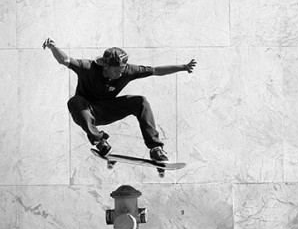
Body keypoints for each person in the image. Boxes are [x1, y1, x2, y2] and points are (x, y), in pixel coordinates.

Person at [43, 38, 196, 162]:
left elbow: (155, 70)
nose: (121, 73)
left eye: (123, 69)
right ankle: (99, 141)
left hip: (108, 110)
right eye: (117, 70)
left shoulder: (128, 70)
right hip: (86, 111)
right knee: (74, 101)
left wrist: (183, 67)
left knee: (140, 101)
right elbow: (65, 60)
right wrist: (52, 47)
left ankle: (155, 148)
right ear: (106, 66)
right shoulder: (88, 68)